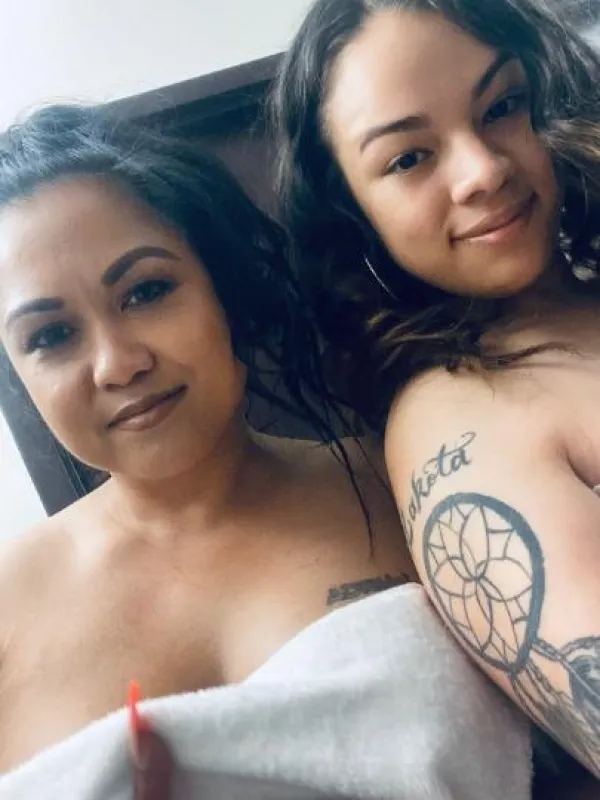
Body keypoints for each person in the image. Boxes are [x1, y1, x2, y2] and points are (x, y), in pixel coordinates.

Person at [0, 104, 419, 775]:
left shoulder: (407, 485)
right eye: (50, 336)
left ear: (223, 291)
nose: (118, 364)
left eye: (146, 291)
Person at [271, 0, 600, 786]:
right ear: (352, 214)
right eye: (410, 158)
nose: (484, 170)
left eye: (502, 106)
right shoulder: (459, 422)